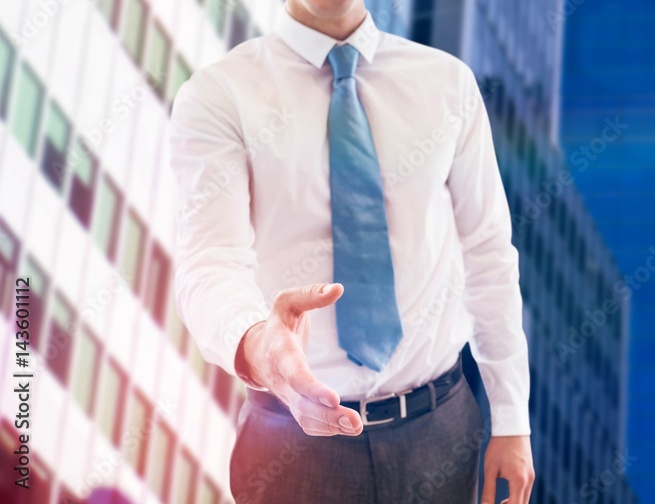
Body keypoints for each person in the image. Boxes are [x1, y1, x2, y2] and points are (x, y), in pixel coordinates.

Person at [168, 0, 533, 502]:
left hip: (441, 428)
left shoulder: (448, 83)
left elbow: (488, 252)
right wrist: (260, 346)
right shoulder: (220, 94)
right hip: (293, 445)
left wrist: (511, 419)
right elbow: (210, 263)